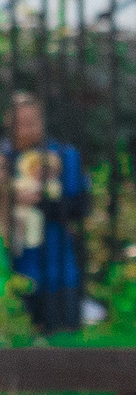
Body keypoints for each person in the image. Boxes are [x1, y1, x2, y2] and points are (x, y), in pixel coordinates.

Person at [5, 92, 90, 335]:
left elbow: (80, 207)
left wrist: (39, 202)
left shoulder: (63, 156)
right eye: (20, 124)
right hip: (12, 269)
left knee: (61, 342)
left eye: (32, 122)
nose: (27, 129)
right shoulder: (4, 158)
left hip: (57, 269)